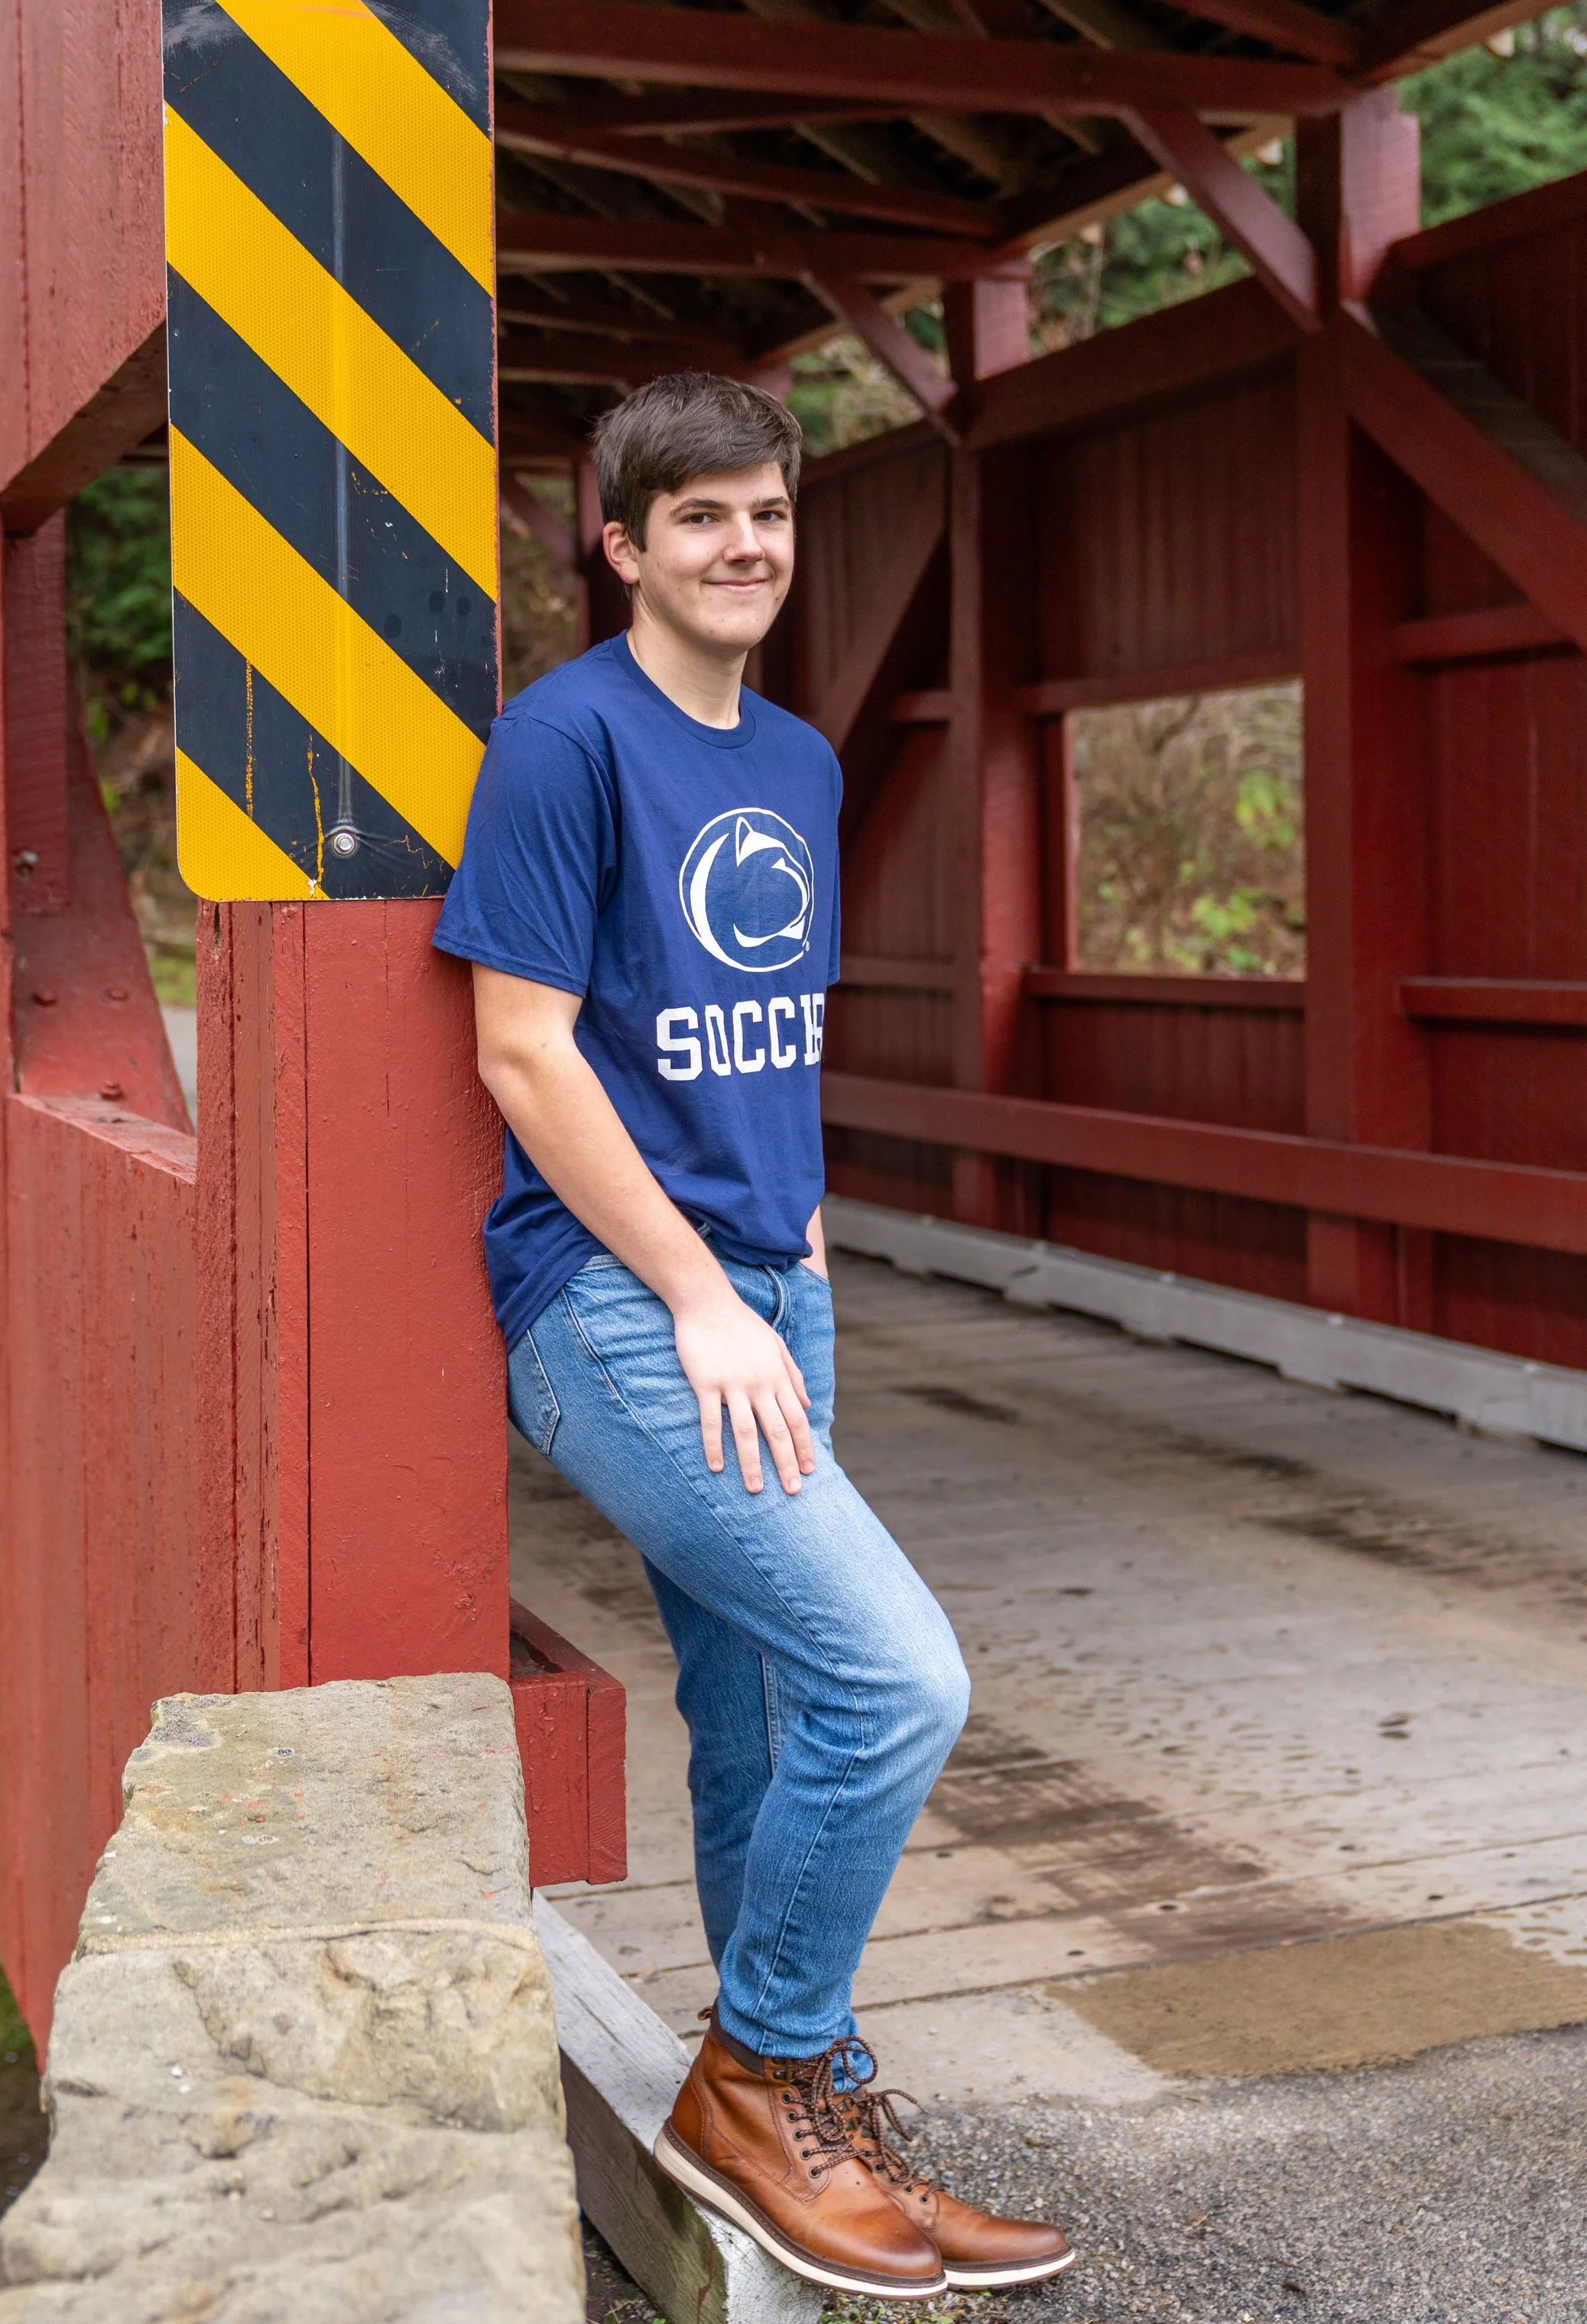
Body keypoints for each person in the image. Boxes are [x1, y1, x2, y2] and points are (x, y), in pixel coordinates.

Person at [434, 373, 1073, 2300]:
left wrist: (793, 1254)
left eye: (767, 515)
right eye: (698, 518)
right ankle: (761, 2077)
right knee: (895, 1680)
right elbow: (523, 1046)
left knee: (767, 1712)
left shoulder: (794, 760)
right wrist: (704, 1293)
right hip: (621, 1309)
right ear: (620, 546)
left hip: (763, 1294)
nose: (743, 548)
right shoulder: (565, 745)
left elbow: (748, 1032)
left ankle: (802, 2101)